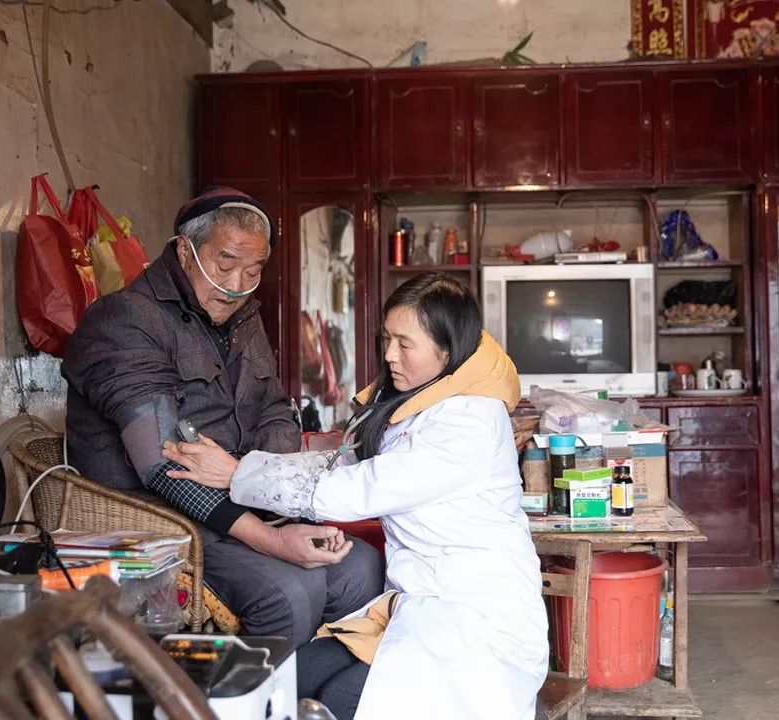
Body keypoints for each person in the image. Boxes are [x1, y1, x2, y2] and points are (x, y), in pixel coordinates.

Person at [162, 273, 549, 720]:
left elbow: (359, 489)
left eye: (406, 344)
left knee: (340, 702)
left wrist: (236, 474)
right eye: (387, 338)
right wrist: (245, 467)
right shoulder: (423, 398)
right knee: (290, 682)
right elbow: (342, 466)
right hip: (418, 605)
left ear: (448, 349)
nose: (389, 355)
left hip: (474, 620)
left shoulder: (469, 421)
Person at [62, 187, 383, 647]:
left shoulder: (244, 316)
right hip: (164, 521)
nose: (236, 285)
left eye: (252, 271)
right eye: (225, 265)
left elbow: (274, 408)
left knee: (361, 567)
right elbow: (164, 465)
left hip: (242, 504)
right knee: (290, 593)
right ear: (184, 252)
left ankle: (310, 701)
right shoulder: (124, 321)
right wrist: (272, 540)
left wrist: (264, 487)